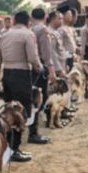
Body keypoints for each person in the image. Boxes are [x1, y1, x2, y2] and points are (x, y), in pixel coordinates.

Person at [0, 11, 41, 162]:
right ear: (28, 21)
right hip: (22, 75)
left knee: (8, 110)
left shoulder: (4, 35)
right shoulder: (28, 34)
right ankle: (15, 148)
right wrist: (40, 68)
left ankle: (7, 146)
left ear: (14, 21)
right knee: (20, 112)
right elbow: (33, 58)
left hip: (7, 75)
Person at [29, 8, 55, 144]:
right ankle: (33, 132)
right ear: (45, 16)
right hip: (40, 67)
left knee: (32, 98)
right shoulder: (43, 30)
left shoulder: (30, 29)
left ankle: (31, 129)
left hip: (29, 68)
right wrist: (51, 69)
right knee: (39, 99)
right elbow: (46, 53)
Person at [47, 10, 66, 77]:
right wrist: (59, 70)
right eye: (60, 19)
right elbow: (52, 52)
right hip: (56, 69)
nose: (62, 21)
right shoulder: (50, 33)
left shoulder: (56, 32)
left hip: (62, 65)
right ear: (53, 19)